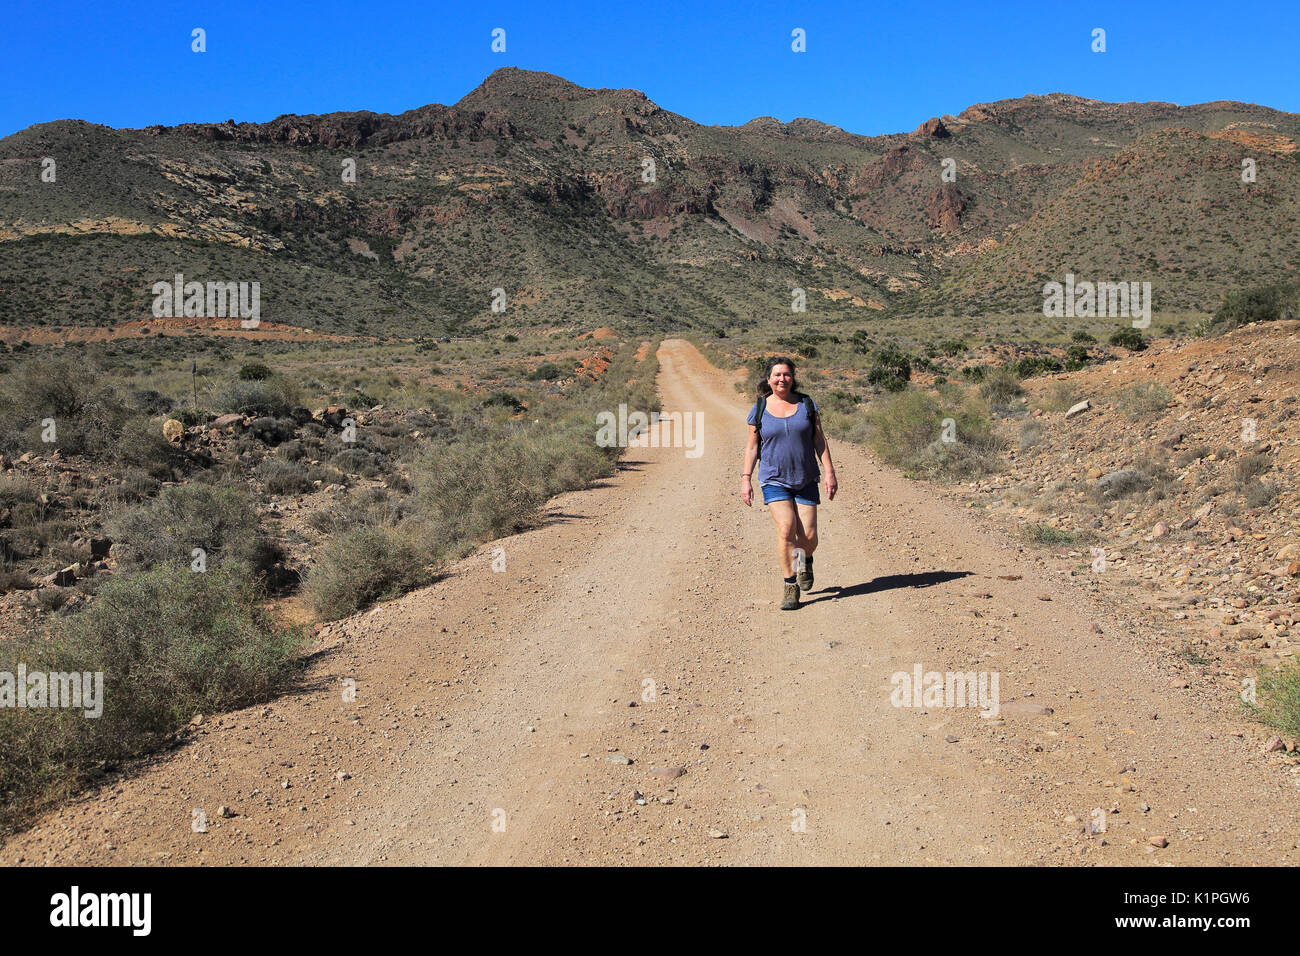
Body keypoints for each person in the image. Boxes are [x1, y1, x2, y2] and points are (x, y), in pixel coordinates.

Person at [740, 356, 837, 610]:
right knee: (786, 529)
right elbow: (752, 448)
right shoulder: (759, 408)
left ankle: (805, 560)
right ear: (769, 379)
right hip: (773, 478)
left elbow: (819, 440)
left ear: (792, 378)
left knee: (809, 537)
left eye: (786, 374)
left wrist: (829, 472)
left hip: (805, 477)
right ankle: (790, 585)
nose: (782, 379)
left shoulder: (806, 404)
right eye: (777, 375)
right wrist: (745, 479)